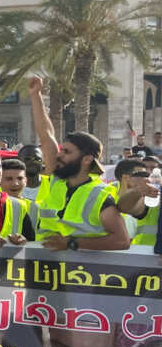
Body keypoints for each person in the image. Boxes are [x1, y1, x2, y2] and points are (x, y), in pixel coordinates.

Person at [28, 76, 129, 251]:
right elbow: (46, 135)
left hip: (81, 274)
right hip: (42, 271)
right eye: (61, 150)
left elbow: (122, 241)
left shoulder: (101, 195)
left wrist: (71, 244)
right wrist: (35, 95)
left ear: (87, 159)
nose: (59, 155)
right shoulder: (57, 180)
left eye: (67, 152)